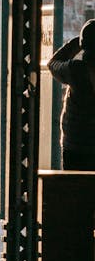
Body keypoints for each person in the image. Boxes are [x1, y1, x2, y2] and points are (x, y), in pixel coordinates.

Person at [47, 19, 95, 170]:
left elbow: (53, 63)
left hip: (75, 146)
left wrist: (76, 42)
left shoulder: (76, 70)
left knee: (74, 189)